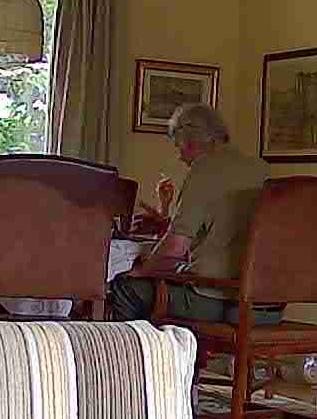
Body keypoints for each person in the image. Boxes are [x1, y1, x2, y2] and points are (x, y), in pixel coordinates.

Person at [108, 103, 283, 324]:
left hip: (220, 301)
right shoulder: (262, 168)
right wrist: (165, 223)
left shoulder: (205, 168)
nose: (181, 158)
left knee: (125, 287)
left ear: (188, 142)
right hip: (267, 307)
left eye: (179, 148)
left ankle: (137, 348)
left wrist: (142, 270)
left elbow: (175, 249)